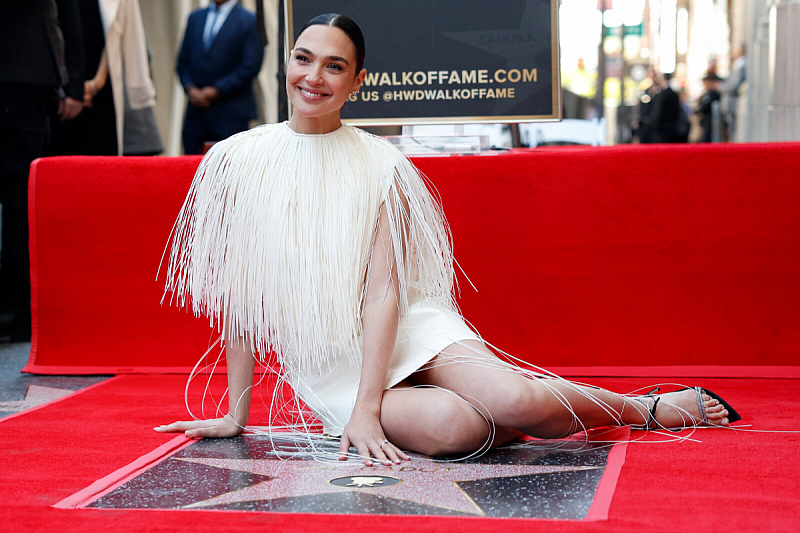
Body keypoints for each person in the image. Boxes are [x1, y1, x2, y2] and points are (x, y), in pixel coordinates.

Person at [156, 14, 740, 466]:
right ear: (286, 63)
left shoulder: (382, 164)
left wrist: (370, 409)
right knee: (453, 430)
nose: (314, 77)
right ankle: (522, 405)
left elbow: (385, 292)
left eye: (335, 67)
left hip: (414, 330)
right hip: (331, 365)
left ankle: (647, 408)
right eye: (304, 59)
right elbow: (240, 301)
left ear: (357, 82)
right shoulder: (236, 161)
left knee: (514, 403)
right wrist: (236, 415)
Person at [0, 0, 85, 341]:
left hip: (22, 68)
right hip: (25, 69)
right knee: (21, 185)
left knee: (21, 186)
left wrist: (75, 81)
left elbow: (69, 13)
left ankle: (16, 304)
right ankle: (16, 304)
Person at [51, 0, 163, 156]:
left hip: (102, 93)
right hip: (58, 93)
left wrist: (94, 85)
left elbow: (117, 34)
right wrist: (68, 89)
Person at [176, 0, 265, 155]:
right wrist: (190, 88)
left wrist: (217, 90)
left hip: (230, 115)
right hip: (196, 115)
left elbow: (250, 66)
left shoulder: (249, 20)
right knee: (191, 170)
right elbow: (182, 62)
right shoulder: (195, 18)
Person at [694, 72, 722, 143]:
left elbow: (706, 106)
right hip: (705, 121)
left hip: (710, 121)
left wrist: (699, 110)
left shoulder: (713, 94)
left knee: (708, 139)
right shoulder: (705, 94)